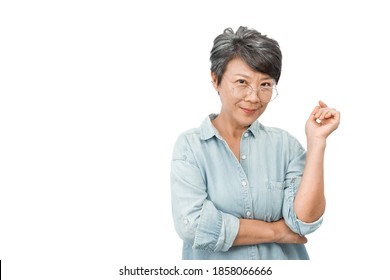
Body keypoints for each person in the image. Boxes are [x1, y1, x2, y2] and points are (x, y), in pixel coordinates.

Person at [170, 26, 340, 260]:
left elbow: (303, 222)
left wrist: (317, 142)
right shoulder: (191, 146)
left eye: (265, 85)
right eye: (242, 82)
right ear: (215, 80)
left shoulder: (286, 146)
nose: (253, 97)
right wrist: (276, 231)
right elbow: (194, 226)